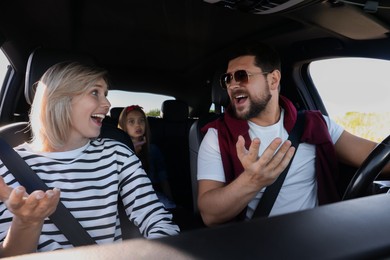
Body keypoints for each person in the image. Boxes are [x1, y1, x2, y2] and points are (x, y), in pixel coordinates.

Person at [197, 42, 390, 226]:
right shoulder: (217, 136)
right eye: (227, 79)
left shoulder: (316, 124)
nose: (232, 85)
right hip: (258, 244)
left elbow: (377, 157)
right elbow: (210, 215)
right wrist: (252, 181)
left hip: (323, 235)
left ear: (273, 80)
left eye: (241, 75)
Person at [0, 61, 179, 257]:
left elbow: (155, 218)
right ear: (59, 98)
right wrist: (26, 224)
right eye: (95, 92)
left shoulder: (117, 154)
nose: (108, 104)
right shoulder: (8, 165)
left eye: (106, 94)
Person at [117, 105, 176, 209]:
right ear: (123, 125)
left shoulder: (152, 149)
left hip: (150, 194)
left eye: (141, 121)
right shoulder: (118, 149)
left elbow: (163, 179)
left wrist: (170, 200)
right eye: (131, 121)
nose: (138, 125)